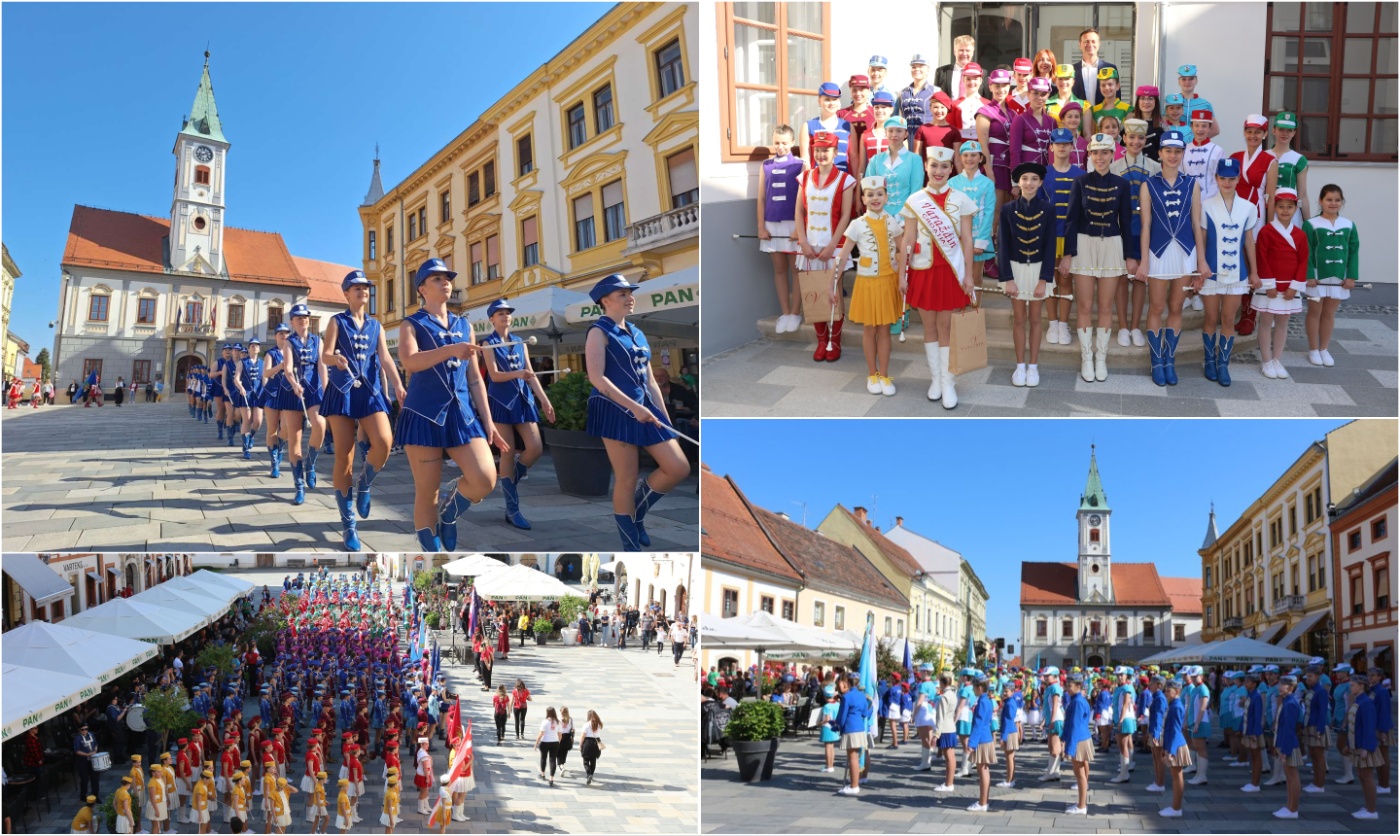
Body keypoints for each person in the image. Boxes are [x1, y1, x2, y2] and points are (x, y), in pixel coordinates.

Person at [395, 259, 505, 551]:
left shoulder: (464, 325)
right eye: (437, 278)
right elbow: (410, 362)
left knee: (485, 479)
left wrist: (489, 421)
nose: (445, 282)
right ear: (422, 288)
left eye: (448, 278)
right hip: (423, 413)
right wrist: (448, 350)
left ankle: (450, 510)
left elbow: (474, 379)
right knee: (427, 491)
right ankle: (429, 550)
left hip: (463, 414)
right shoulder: (412, 324)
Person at [584, 273, 691, 549]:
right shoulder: (599, 332)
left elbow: (651, 381)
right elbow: (597, 378)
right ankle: (629, 541)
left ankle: (638, 512)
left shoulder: (638, 332)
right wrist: (634, 407)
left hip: (645, 409)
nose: (630, 298)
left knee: (678, 467)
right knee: (627, 477)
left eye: (630, 293)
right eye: (623, 294)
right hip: (614, 410)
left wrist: (666, 421)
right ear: (606, 301)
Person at [322, 269, 406, 546]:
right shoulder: (337, 321)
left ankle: (365, 483)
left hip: (370, 392)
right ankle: (349, 525)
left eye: (366, 288)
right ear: (346, 293)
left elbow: (385, 358)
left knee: (384, 441)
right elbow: (325, 355)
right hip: (342, 392)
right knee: (343, 458)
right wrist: (335, 359)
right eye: (356, 288)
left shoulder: (377, 326)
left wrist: (398, 386)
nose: (363, 291)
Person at [897, 146, 977, 408]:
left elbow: (967, 240)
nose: (938, 171)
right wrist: (901, 274)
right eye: (933, 165)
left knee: (946, 327)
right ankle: (936, 379)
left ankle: (948, 382)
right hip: (923, 271)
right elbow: (908, 239)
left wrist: (968, 275)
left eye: (944, 166)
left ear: (951, 169)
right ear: (926, 167)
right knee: (929, 327)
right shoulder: (915, 200)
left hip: (951, 272)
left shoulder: (962, 199)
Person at [1060, 133, 1138, 382]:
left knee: (1105, 306)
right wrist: (1067, 254)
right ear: (1089, 155)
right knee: (1084, 305)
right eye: (1096, 152)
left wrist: (1130, 255)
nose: (1101, 157)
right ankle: (1086, 357)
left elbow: (1126, 221)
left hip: (1112, 246)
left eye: (1105, 152)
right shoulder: (1080, 182)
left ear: (1113, 154)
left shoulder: (1122, 184)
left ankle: (1101, 357)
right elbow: (1070, 220)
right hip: (1084, 244)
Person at [1137, 128, 1208, 386]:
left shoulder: (1192, 184)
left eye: (1178, 151)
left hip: (1185, 253)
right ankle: (1156, 360)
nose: (1173, 155)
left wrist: (1201, 261)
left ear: (1183, 154)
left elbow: (1196, 224)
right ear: (1160, 153)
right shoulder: (1148, 184)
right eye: (1168, 151)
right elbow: (1145, 225)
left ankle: (1169, 358)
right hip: (1157, 252)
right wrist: (1144, 260)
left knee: (1176, 307)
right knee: (1156, 307)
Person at [480, 298, 555, 530]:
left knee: (535, 448)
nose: (505, 316)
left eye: (507, 313)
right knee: (507, 452)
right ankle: (512, 509)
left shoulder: (520, 343)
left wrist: (544, 400)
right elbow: (493, 376)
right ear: (492, 319)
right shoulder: (487, 343)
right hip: (501, 401)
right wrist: (517, 373)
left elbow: (530, 375)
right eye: (500, 313)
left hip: (523, 400)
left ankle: (510, 480)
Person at [831, 175, 904, 395]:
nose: (875, 198)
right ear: (863, 199)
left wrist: (904, 274)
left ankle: (884, 374)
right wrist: (832, 285)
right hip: (867, 283)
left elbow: (904, 250)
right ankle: (872, 374)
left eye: (879, 194)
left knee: (885, 331)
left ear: (886, 197)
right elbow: (842, 257)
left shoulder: (892, 222)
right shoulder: (857, 224)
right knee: (869, 330)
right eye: (870, 195)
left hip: (887, 281)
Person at [1197, 157, 1260, 387]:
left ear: (1238, 179)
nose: (1227, 182)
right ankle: (1209, 360)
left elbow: (1249, 242)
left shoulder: (1248, 208)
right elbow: (1201, 239)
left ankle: (1223, 362)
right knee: (1211, 317)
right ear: (1216, 178)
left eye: (1231, 178)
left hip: (1237, 274)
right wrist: (1199, 267)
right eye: (1222, 178)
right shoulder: (1206, 205)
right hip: (1211, 272)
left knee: (1228, 318)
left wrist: (1253, 272)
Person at [794, 130, 856, 361]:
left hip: (834, 247)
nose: (821, 154)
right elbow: (799, 212)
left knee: (833, 294)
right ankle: (821, 341)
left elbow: (846, 215)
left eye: (825, 150)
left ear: (835, 151)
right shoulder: (805, 177)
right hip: (809, 247)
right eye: (817, 150)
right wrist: (803, 241)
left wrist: (832, 246)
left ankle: (835, 342)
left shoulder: (845, 180)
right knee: (814, 293)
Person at [271, 305, 327, 508]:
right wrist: (294, 384)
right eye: (299, 317)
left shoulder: (317, 340)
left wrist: (326, 388)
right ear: (292, 321)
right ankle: (299, 485)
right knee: (294, 438)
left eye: (305, 317)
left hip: (314, 389)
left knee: (320, 425)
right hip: (292, 392)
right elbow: (287, 368)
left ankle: (310, 464)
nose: (303, 320)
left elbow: (321, 366)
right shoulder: (289, 343)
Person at [1254, 187, 1309, 380]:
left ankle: (1277, 359)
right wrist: (1269, 285)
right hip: (1271, 287)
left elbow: (1303, 261)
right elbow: (1261, 259)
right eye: (1281, 206)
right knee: (1266, 321)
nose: (1285, 211)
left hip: (1289, 288)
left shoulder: (1301, 235)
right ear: (1275, 208)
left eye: (1289, 207)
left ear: (1295, 209)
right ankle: (1266, 360)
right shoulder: (1266, 231)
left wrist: (1295, 286)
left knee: (1283, 322)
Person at [1303, 184, 1359, 367]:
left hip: (1339, 279)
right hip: (1317, 279)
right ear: (1320, 201)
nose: (1333, 203)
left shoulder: (1349, 225)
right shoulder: (1310, 224)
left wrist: (1351, 276)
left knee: (1328, 314)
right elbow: (1306, 252)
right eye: (1329, 199)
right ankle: (1313, 349)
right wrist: (1309, 275)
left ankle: (1323, 349)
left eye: (1337, 200)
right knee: (1315, 312)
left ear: (1342, 202)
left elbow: (1353, 252)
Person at [758, 125, 804, 334]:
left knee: (796, 269)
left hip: (793, 224)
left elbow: (804, 200)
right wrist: (760, 226)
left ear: (792, 143)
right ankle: (784, 312)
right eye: (776, 142)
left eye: (784, 142)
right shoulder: (765, 165)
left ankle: (795, 313)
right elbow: (761, 198)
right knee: (779, 269)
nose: (780, 146)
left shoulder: (800, 165)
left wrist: (800, 228)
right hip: (771, 223)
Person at [950, 140, 997, 289]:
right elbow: (949, 212)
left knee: (976, 278)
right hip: (958, 238)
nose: (969, 159)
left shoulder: (988, 183)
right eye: (966, 155)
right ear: (960, 158)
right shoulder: (952, 183)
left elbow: (989, 213)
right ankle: (960, 311)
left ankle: (975, 310)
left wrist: (981, 241)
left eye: (974, 155)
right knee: (958, 277)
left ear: (980, 158)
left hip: (978, 237)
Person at [1344, 674, 1381, 819]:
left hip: (1365, 747)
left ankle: (1372, 810)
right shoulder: (1359, 701)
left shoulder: (1366, 703)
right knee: (1362, 776)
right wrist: (1349, 744)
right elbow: (1353, 725)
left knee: (1367, 777)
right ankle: (1367, 806)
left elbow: (1369, 727)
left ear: (1361, 686)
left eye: (1353, 685)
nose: (1350, 687)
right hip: (1357, 745)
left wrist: (1366, 747)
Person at [830, 674, 871, 796]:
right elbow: (865, 713)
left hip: (850, 728)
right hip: (860, 728)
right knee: (856, 757)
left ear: (847, 682)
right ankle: (854, 783)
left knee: (852, 758)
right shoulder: (862, 696)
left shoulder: (847, 697)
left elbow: (842, 716)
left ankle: (854, 786)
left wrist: (838, 727)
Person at [799, 80, 852, 172]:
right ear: (819, 101)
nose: (831, 103)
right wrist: (807, 183)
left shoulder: (848, 127)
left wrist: (856, 184)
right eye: (827, 99)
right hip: (818, 181)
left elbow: (853, 158)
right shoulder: (808, 126)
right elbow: (805, 160)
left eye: (834, 99)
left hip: (843, 182)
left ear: (839, 102)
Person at [1061, 672, 1093, 815]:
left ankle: (1081, 806)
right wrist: (1063, 737)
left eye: (1070, 685)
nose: (1067, 688)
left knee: (1079, 773)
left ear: (1079, 686)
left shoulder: (1077, 702)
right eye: (1067, 685)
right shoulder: (1076, 699)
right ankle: (1082, 802)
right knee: (1081, 772)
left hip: (1079, 740)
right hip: (1081, 738)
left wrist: (1069, 748)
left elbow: (1075, 725)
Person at [966, 675, 996, 812]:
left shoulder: (983, 702)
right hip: (985, 738)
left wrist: (971, 743)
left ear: (979, 687)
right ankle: (984, 801)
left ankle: (983, 802)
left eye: (973, 687)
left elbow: (978, 724)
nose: (972, 690)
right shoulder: (986, 700)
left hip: (982, 740)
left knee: (982, 771)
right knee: (984, 770)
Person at [1071, 28, 1117, 108]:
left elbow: (1116, 97)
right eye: (1086, 41)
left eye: (1093, 41)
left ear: (1099, 44)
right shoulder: (1072, 70)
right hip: (1079, 118)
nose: (1090, 44)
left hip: (1103, 117)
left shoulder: (1110, 68)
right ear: (1080, 45)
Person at [897, 54, 937, 137]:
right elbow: (898, 116)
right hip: (907, 138)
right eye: (914, 67)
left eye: (921, 66)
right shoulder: (903, 93)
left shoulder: (935, 91)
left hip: (927, 137)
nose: (917, 69)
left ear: (928, 69)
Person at [73, 720, 100, 801]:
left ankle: (95, 795)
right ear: (79, 730)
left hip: (93, 760)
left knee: (95, 778)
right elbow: (77, 751)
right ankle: (83, 795)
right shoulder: (77, 739)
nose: (85, 731)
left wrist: (95, 751)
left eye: (86, 729)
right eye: (83, 729)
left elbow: (95, 744)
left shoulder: (91, 735)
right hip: (83, 762)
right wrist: (88, 754)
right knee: (84, 779)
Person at [535, 706, 562, 786]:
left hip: (545, 742)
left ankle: (542, 774)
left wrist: (536, 743)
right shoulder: (558, 722)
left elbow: (541, 734)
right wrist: (558, 742)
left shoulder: (545, 721)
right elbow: (560, 734)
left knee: (543, 758)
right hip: (555, 742)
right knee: (553, 760)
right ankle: (551, 778)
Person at [579, 709, 605, 785]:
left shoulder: (586, 724)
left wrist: (580, 745)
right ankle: (591, 774)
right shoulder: (599, 724)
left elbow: (582, 736)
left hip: (587, 742)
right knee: (593, 761)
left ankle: (588, 774)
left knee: (585, 761)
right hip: (596, 742)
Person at [306, 770, 328, 834]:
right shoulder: (319, 787)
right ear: (321, 779)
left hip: (320, 804)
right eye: (325, 778)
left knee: (316, 820)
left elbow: (320, 797)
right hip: (320, 806)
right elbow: (318, 799)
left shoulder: (320, 785)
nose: (326, 779)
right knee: (327, 819)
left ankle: (312, 833)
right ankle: (322, 832)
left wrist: (325, 801)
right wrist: (319, 809)